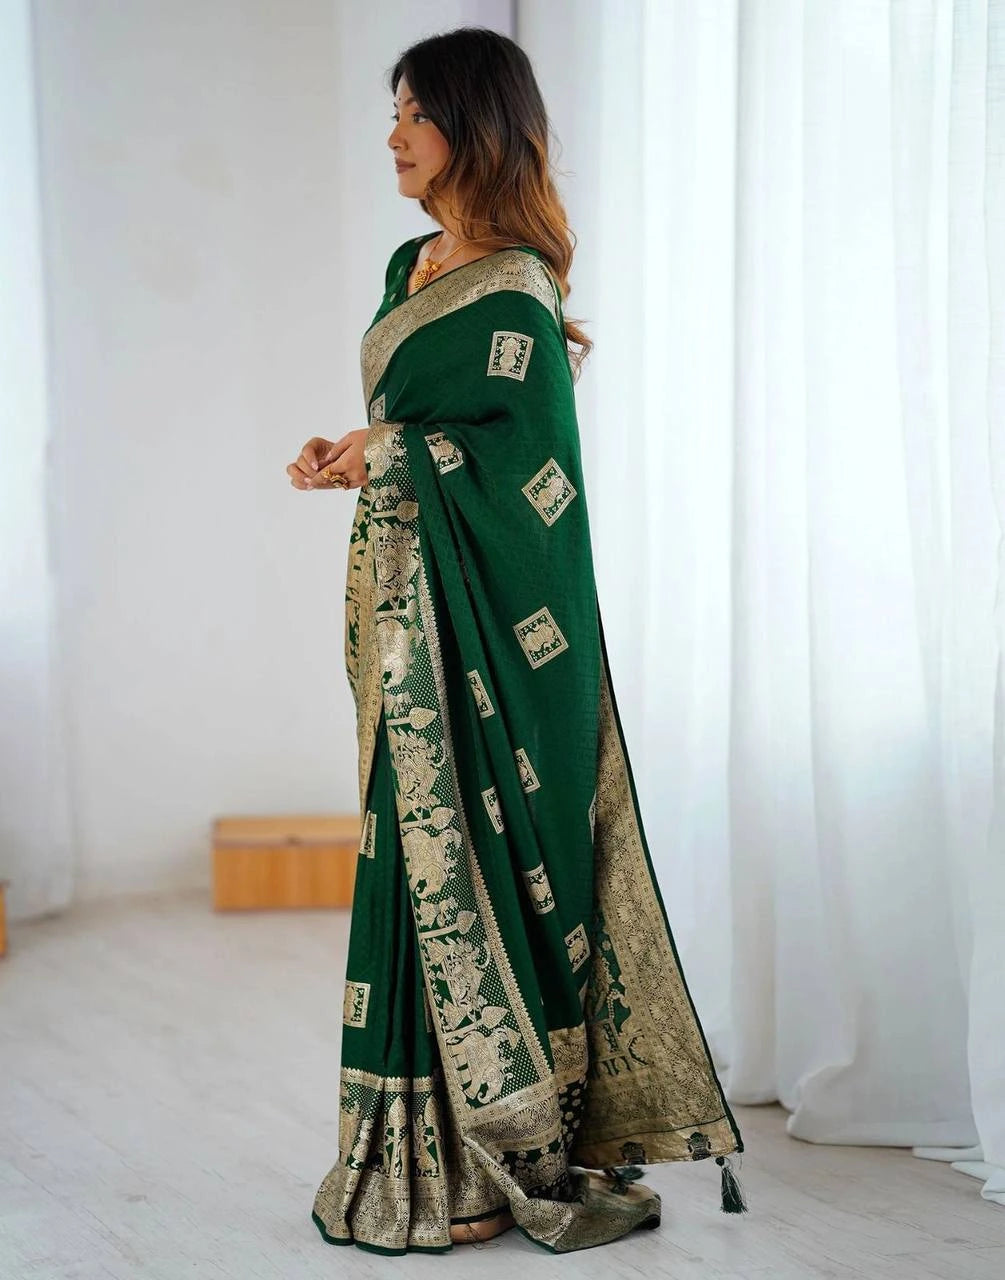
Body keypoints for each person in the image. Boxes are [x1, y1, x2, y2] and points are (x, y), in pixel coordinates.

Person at [287, 26, 746, 1257]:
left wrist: (396, 454)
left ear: (471, 126)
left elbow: (531, 475)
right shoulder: (407, 266)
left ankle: (515, 1148)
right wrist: (356, 447)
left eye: (412, 114)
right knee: (402, 860)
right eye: (390, 113)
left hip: (504, 638)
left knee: (492, 864)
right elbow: (420, 424)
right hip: (410, 627)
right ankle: (406, 1157)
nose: (391, 135)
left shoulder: (521, 290)